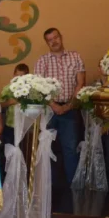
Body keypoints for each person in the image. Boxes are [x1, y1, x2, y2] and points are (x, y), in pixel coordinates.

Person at [34, 28, 84, 184]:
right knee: (46, 148)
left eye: (56, 37)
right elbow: (38, 86)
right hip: (49, 110)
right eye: (50, 39)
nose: (54, 41)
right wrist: (54, 105)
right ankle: (47, 186)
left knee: (70, 149)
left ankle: (72, 187)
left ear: (61, 37)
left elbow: (81, 83)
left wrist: (69, 106)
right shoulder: (43, 60)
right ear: (46, 43)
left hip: (70, 109)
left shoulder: (75, 57)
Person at [0, 63, 29, 147]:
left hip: (24, 127)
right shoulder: (7, 89)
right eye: (16, 76)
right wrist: (9, 102)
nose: (18, 79)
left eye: (22, 76)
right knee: (9, 150)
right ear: (13, 75)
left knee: (21, 150)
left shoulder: (30, 90)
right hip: (9, 125)